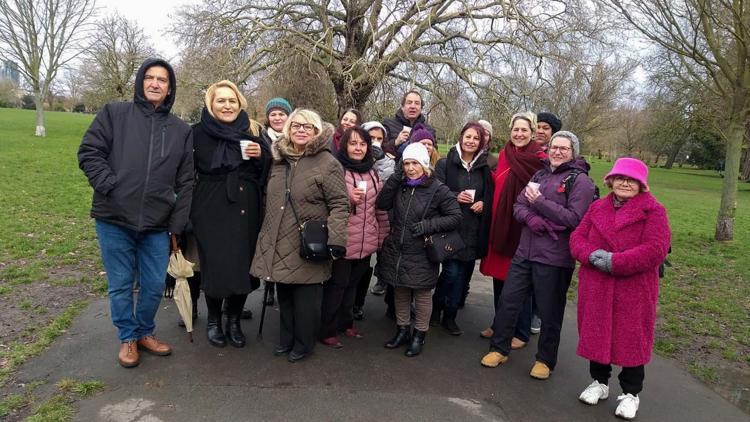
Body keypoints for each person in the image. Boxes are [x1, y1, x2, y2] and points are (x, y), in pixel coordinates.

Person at [78, 58, 193, 368]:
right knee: (120, 284)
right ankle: (128, 337)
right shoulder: (115, 114)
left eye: (162, 80)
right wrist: (109, 185)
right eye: (150, 78)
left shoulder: (181, 130)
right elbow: (89, 151)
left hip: (157, 223)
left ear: (170, 89)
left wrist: (177, 224)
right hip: (114, 218)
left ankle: (144, 331)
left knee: (155, 285)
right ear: (141, 81)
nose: (155, 83)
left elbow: (185, 181)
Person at [480, 131, 596, 382]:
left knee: (549, 310)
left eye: (564, 148)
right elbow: (519, 205)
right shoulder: (540, 174)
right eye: (554, 147)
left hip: (554, 257)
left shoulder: (581, 181)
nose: (557, 152)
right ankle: (499, 349)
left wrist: (541, 203)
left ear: (573, 151)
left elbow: (574, 219)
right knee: (509, 301)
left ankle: (545, 359)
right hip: (525, 251)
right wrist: (533, 218)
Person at [570, 158, 671, 420]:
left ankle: (630, 393)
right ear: (611, 180)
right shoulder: (596, 208)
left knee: (632, 338)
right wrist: (591, 255)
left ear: (642, 185)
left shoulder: (654, 211)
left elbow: (656, 249)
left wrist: (616, 262)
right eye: (621, 178)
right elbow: (577, 238)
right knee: (597, 332)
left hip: (634, 287)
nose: (625, 183)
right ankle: (599, 382)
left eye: (632, 179)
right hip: (598, 284)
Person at [251, 109, 349, 363]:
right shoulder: (279, 160)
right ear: (288, 129)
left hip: (309, 243)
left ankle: (304, 343)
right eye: (296, 126)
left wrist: (337, 240)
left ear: (317, 132)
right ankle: (286, 338)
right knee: (284, 296)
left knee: (306, 301)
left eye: (308, 127)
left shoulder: (328, 163)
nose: (301, 130)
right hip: (278, 239)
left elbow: (340, 203)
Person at [190, 80, 271, 348]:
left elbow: (269, 169)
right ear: (211, 104)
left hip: (246, 204)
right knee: (215, 265)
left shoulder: (253, 130)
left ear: (240, 104)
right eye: (221, 100)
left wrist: (262, 154)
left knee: (243, 265)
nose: (227, 105)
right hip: (210, 204)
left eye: (232, 100)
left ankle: (233, 320)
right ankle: (214, 321)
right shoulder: (197, 133)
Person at [376, 143, 461, 357]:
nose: (410, 168)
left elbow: (455, 216)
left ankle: (419, 335)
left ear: (425, 164)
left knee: (422, 294)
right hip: (398, 247)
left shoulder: (438, 189)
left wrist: (428, 226)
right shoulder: (401, 184)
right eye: (406, 163)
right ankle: (402, 330)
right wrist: (396, 177)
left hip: (422, 250)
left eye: (415, 163)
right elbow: (382, 203)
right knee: (400, 290)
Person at [478, 112, 545, 347]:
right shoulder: (506, 153)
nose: (519, 134)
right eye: (515, 129)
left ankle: (521, 330)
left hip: (519, 226)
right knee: (499, 278)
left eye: (524, 130)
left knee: (519, 281)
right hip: (499, 223)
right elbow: (499, 182)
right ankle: (500, 322)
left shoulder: (539, 157)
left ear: (533, 132)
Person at [320, 127, 389, 347]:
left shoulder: (373, 172)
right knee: (337, 286)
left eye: (362, 144)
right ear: (344, 146)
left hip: (365, 241)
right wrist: (347, 199)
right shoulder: (336, 170)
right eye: (353, 143)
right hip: (343, 240)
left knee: (352, 286)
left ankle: (345, 323)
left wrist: (381, 239)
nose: (358, 148)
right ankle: (327, 329)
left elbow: (379, 210)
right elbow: (324, 204)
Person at [432, 122, 493, 335]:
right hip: (451, 228)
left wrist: (484, 203)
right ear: (461, 137)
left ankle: (450, 315)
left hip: (473, 229)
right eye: (468, 136)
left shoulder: (485, 167)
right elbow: (436, 191)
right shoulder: (445, 163)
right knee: (451, 272)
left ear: (481, 142)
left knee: (463, 275)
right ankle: (436, 308)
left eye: (476, 138)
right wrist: (454, 196)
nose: (471, 141)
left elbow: (490, 194)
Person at [260, 97, 293, 308]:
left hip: (289, 196)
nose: (278, 117)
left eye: (282, 114)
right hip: (266, 194)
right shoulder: (261, 138)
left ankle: (280, 284)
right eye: (273, 114)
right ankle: (268, 286)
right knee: (268, 240)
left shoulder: (295, 138)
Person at [530, 112, 561, 333]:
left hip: (550, 225)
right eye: (537, 126)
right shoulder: (529, 153)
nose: (540, 131)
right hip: (527, 217)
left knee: (543, 277)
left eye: (546, 128)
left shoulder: (557, 159)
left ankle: (537, 313)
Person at [382, 90, 435, 156]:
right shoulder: (388, 124)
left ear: (421, 108)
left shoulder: (429, 130)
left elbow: (435, 156)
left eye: (417, 103)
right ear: (402, 107)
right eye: (409, 103)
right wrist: (395, 142)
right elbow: (380, 150)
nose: (413, 106)